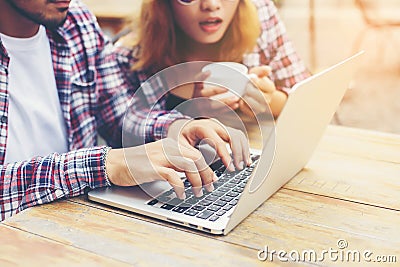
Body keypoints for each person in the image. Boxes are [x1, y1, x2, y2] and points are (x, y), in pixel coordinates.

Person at [0, 0, 250, 221]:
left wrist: (176, 128)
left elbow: (118, 114)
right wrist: (108, 165)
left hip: (77, 218)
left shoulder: (76, 22)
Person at [115, 0, 311, 119]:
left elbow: (309, 98)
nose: (211, 4)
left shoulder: (260, 12)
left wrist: (268, 100)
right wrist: (188, 115)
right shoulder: (130, 56)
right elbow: (123, 141)